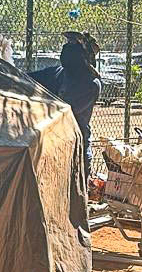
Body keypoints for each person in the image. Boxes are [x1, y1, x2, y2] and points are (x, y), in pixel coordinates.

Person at [30, 35, 101, 181]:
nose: (66, 49)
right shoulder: (59, 73)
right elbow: (27, 79)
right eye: (67, 45)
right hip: (51, 143)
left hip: (76, 147)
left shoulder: (91, 83)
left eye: (73, 46)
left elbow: (65, 110)